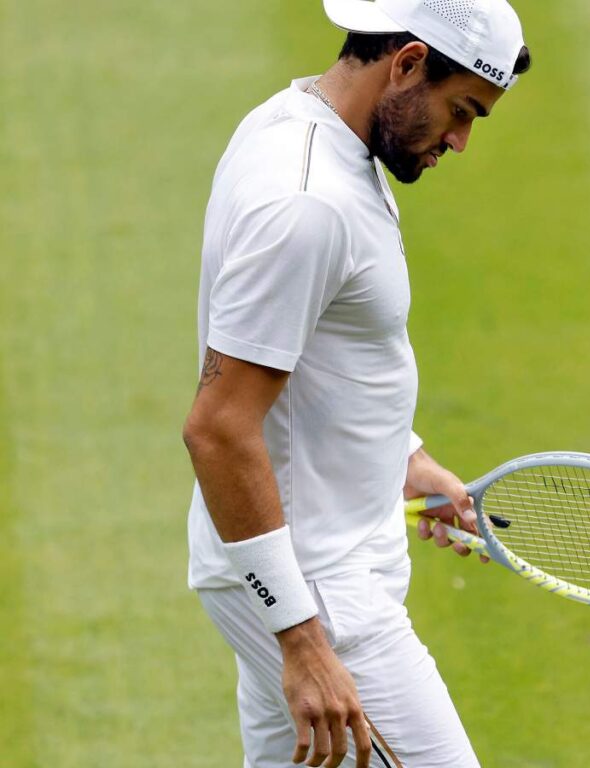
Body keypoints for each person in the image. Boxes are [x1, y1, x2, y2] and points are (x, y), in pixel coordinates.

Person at [181, 1, 531, 766]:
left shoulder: (303, 130)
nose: (462, 142)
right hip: (318, 589)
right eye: (460, 111)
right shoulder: (308, 203)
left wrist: (402, 457)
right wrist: (303, 640)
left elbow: (319, 351)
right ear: (406, 63)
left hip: (313, 566)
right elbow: (218, 428)